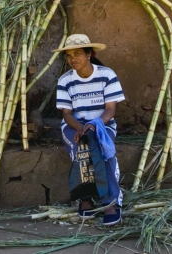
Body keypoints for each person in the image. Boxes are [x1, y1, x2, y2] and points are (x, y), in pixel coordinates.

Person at [55, 34, 125, 226]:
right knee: (81, 147)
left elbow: (110, 109)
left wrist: (95, 124)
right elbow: (67, 114)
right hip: (74, 126)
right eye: (69, 55)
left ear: (89, 54)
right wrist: (80, 127)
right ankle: (85, 198)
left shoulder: (106, 75)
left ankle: (110, 202)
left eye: (77, 53)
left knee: (102, 148)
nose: (73, 59)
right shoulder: (65, 80)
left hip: (103, 124)